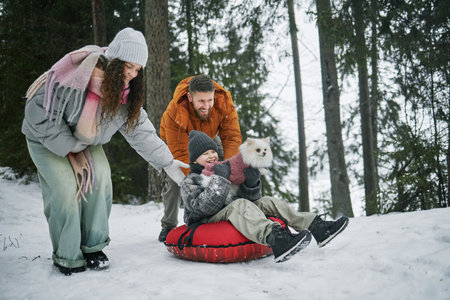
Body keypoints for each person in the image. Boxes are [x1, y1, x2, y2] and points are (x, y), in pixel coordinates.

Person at [22, 28, 188, 275]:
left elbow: (141, 131)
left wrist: (167, 162)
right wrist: (70, 149)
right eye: (128, 66)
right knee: (64, 189)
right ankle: (67, 255)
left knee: (100, 178)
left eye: (137, 70)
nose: (132, 75)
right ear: (115, 60)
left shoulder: (124, 96)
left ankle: (93, 247)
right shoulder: (75, 76)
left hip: (84, 142)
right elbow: (36, 113)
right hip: (46, 138)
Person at [180, 130, 349, 263]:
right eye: (205, 154)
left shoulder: (223, 169)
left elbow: (250, 200)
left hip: (231, 212)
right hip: (206, 220)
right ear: (195, 161)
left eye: (213, 151)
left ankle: (317, 227)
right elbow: (201, 208)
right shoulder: (190, 181)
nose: (211, 156)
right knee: (238, 205)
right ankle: (276, 239)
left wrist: (251, 184)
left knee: (267, 201)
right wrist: (220, 180)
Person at [158, 75, 242, 242]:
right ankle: (168, 225)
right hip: (178, 141)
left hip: (208, 138)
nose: (206, 106)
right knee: (175, 178)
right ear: (190, 97)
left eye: (209, 100)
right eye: (201, 101)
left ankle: (229, 212)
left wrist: (230, 171)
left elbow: (231, 137)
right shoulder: (174, 112)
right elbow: (180, 153)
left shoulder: (223, 103)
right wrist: (200, 182)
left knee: (229, 167)